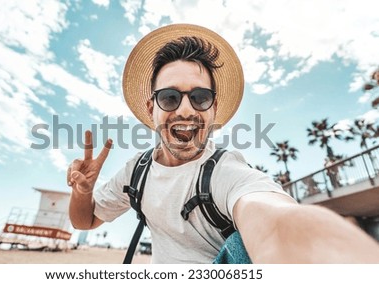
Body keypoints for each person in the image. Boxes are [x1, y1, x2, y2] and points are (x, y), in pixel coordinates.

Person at [67, 24, 379, 263]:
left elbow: (275, 222)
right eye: (170, 97)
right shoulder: (138, 170)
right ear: (152, 109)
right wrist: (82, 192)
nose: (186, 110)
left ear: (213, 109)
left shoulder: (226, 172)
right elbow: (86, 219)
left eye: (200, 97)